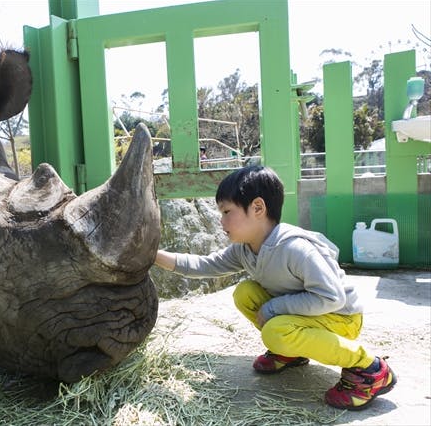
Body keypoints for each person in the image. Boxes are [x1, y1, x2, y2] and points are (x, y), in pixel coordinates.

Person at [154, 165, 396, 410]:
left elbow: (331, 297)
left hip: (341, 317)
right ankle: (291, 352)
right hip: (308, 315)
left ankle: (370, 369)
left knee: (275, 332)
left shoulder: (294, 248)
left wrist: (274, 308)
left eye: (227, 211)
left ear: (257, 208)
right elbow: (205, 265)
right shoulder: (245, 248)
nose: (221, 220)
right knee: (245, 293)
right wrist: (152, 255)